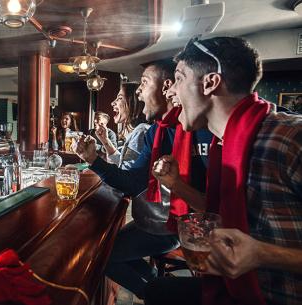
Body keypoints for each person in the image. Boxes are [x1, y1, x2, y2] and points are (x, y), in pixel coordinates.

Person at [147, 37, 302, 305]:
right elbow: (220, 211)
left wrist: (263, 254)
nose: (170, 93)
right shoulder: (223, 143)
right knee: (157, 291)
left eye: (179, 79)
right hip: (234, 290)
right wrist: (176, 184)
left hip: (276, 296)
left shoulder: (290, 137)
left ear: (210, 83)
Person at [73, 59, 212, 300]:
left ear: (167, 86)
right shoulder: (154, 133)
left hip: (182, 229)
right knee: (106, 253)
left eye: (144, 82)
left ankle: (160, 294)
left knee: (101, 255)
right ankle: (161, 291)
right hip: (157, 222)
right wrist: (94, 160)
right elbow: (133, 182)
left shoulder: (202, 129)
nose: (137, 90)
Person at [95, 82, 149, 169]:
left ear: (133, 103)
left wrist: (90, 159)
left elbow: (125, 176)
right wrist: (105, 141)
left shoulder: (141, 132)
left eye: (120, 98)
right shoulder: (137, 131)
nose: (112, 103)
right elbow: (121, 163)